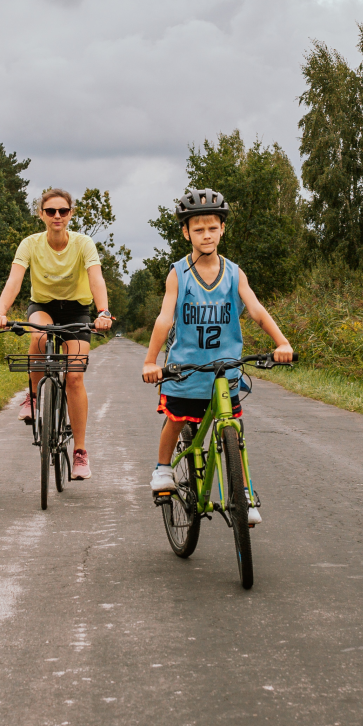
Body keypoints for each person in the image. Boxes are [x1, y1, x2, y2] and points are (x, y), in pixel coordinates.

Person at [142, 187, 293, 510]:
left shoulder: (234, 273)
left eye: (213, 228)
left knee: (233, 429)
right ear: (186, 233)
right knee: (177, 420)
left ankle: (245, 492)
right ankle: (163, 469)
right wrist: (150, 361)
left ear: (223, 229)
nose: (206, 235)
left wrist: (282, 342)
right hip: (186, 371)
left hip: (225, 371)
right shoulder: (178, 274)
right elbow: (164, 320)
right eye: (198, 229)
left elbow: (256, 310)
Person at [0, 187, 113, 480]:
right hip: (43, 306)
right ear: (41, 214)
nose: (57, 216)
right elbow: (14, 280)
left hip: (77, 312)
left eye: (63, 211)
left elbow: (96, 279)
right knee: (39, 335)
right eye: (50, 211)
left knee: (74, 375)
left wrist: (103, 312)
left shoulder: (84, 244)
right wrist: (0, 312)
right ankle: (32, 398)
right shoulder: (30, 244)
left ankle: (80, 452)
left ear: (70, 214)